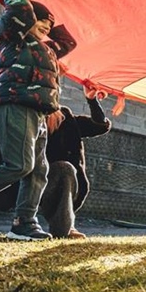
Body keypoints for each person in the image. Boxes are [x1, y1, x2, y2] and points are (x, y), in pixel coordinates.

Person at [0, 0, 76, 240]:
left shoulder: (47, 49)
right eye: (41, 21)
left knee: (38, 170)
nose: (47, 27)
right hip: (15, 104)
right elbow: (19, 7)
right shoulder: (9, 38)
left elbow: (68, 42)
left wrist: (48, 22)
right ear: (27, 19)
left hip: (38, 111)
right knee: (19, 165)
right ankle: (24, 221)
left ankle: (24, 223)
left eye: (49, 24)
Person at [36, 88, 111, 238]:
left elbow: (101, 126)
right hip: (39, 179)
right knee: (64, 168)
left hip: (73, 182)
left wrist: (92, 100)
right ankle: (62, 228)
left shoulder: (68, 118)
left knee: (67, 171)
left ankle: (67, 226)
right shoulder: (33, 118)